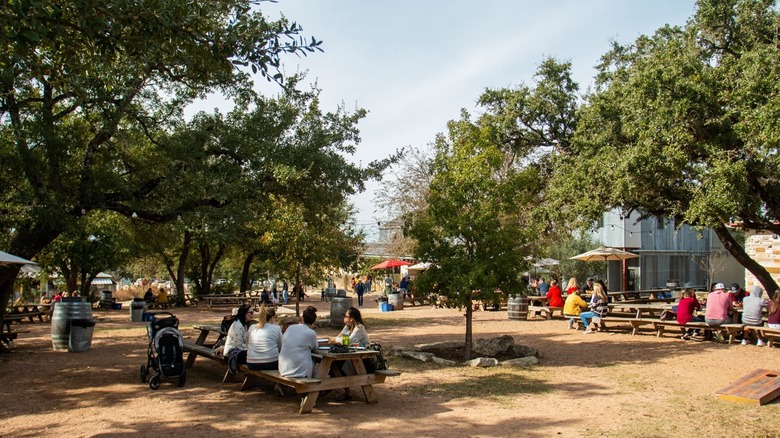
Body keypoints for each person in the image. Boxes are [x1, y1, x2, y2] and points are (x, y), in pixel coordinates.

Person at [332, 307, 369, 401]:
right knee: (334, 363)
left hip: (362, 359)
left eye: (345, 315)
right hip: (352, 356)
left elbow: (348, 341)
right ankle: (344, 390)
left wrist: (337, 340)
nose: (344, 317)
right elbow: (338, 337)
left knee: (338, 364)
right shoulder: (348, 326)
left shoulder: (359, 328)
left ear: (351, 318)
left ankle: (344, 390)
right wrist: (338, 339)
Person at [279, 306, 319, 378]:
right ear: (313, 322)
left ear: (302, 318)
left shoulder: (291, 328)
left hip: (283, 369)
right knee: (313, 359)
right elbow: (315, 347)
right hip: (300, 372)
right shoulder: (311, 333)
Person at [246, 306, 282, 371]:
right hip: (271, 362)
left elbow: (247, 343)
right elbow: (281, 346)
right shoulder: (276, 328)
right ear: (272, 318)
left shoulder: (252, 327)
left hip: (252, 363)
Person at [224, 304, 253, 371]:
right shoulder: (238, 325)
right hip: (232, 353)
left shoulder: (245, 324)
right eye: (251, 313)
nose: (252, 315)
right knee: (253, 354)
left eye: (253, 312)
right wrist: (252, 348)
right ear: (244, 313)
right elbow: (238, 345)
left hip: (240, 351)